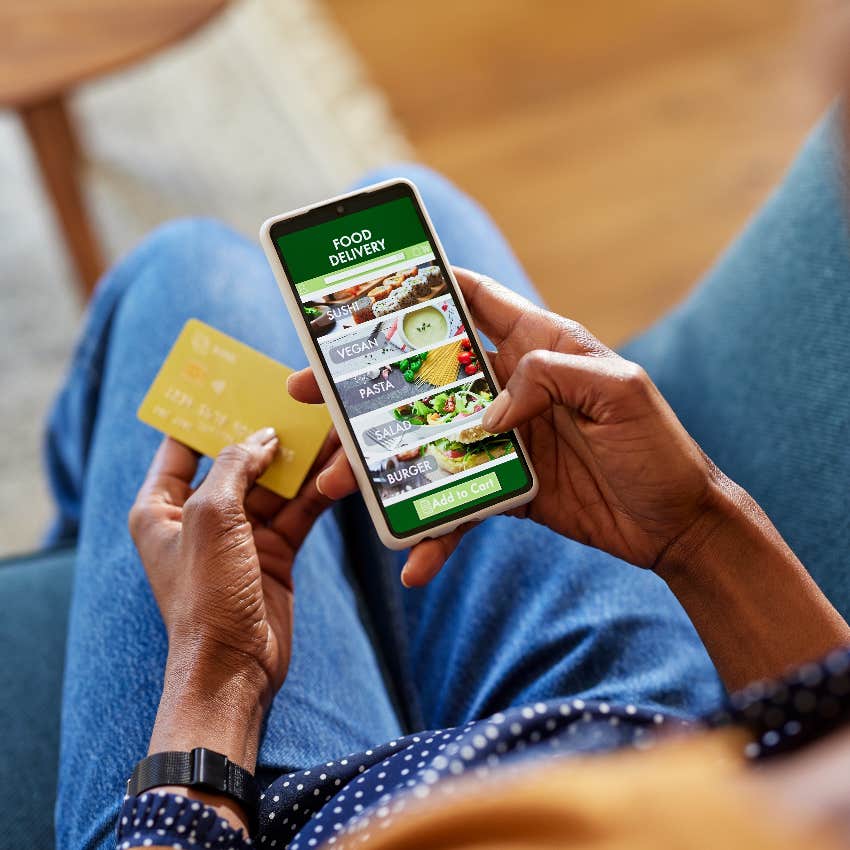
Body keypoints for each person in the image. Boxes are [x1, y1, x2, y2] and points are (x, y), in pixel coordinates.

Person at [50, 107, 850, 850]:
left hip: (290, 818)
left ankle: (67, 561)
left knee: (189, 264)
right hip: (639, 732)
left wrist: (216, 673)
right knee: (421, 206)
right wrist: (695, 529)